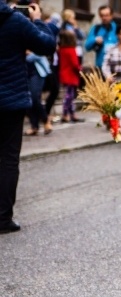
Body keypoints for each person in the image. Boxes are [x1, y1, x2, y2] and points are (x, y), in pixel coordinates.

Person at [0, 0, 56, 234]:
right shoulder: (16, 19)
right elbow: (47, 45)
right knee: (8, 159)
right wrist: (39, 20)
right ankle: (3, 218)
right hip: (10, 101)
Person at [58, 30, 82, 124]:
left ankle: (72, 114)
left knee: (69, 96)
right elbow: (75, 64)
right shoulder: (71, 50)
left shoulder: (61, 50)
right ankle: (65, 114)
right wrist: (80, 69)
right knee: (69, 96)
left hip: (64, 74)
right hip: (71, 75)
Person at [24, 51, 51, 136]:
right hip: (24, 74)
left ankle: (46, 120)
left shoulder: (32, 40)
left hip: (37, 73)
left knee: (34, 97)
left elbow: (39, 53)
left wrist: (26, 54)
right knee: (27, 100)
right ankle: (34, 126)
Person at [86, 5, 118, 69]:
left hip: (116, 65)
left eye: (106, 15)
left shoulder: (118, 28)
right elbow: (87, 46)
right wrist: (95, 40)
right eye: (102, 15)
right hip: (101, 65)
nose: (104, 18)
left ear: (111, 16)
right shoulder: (96, 28)